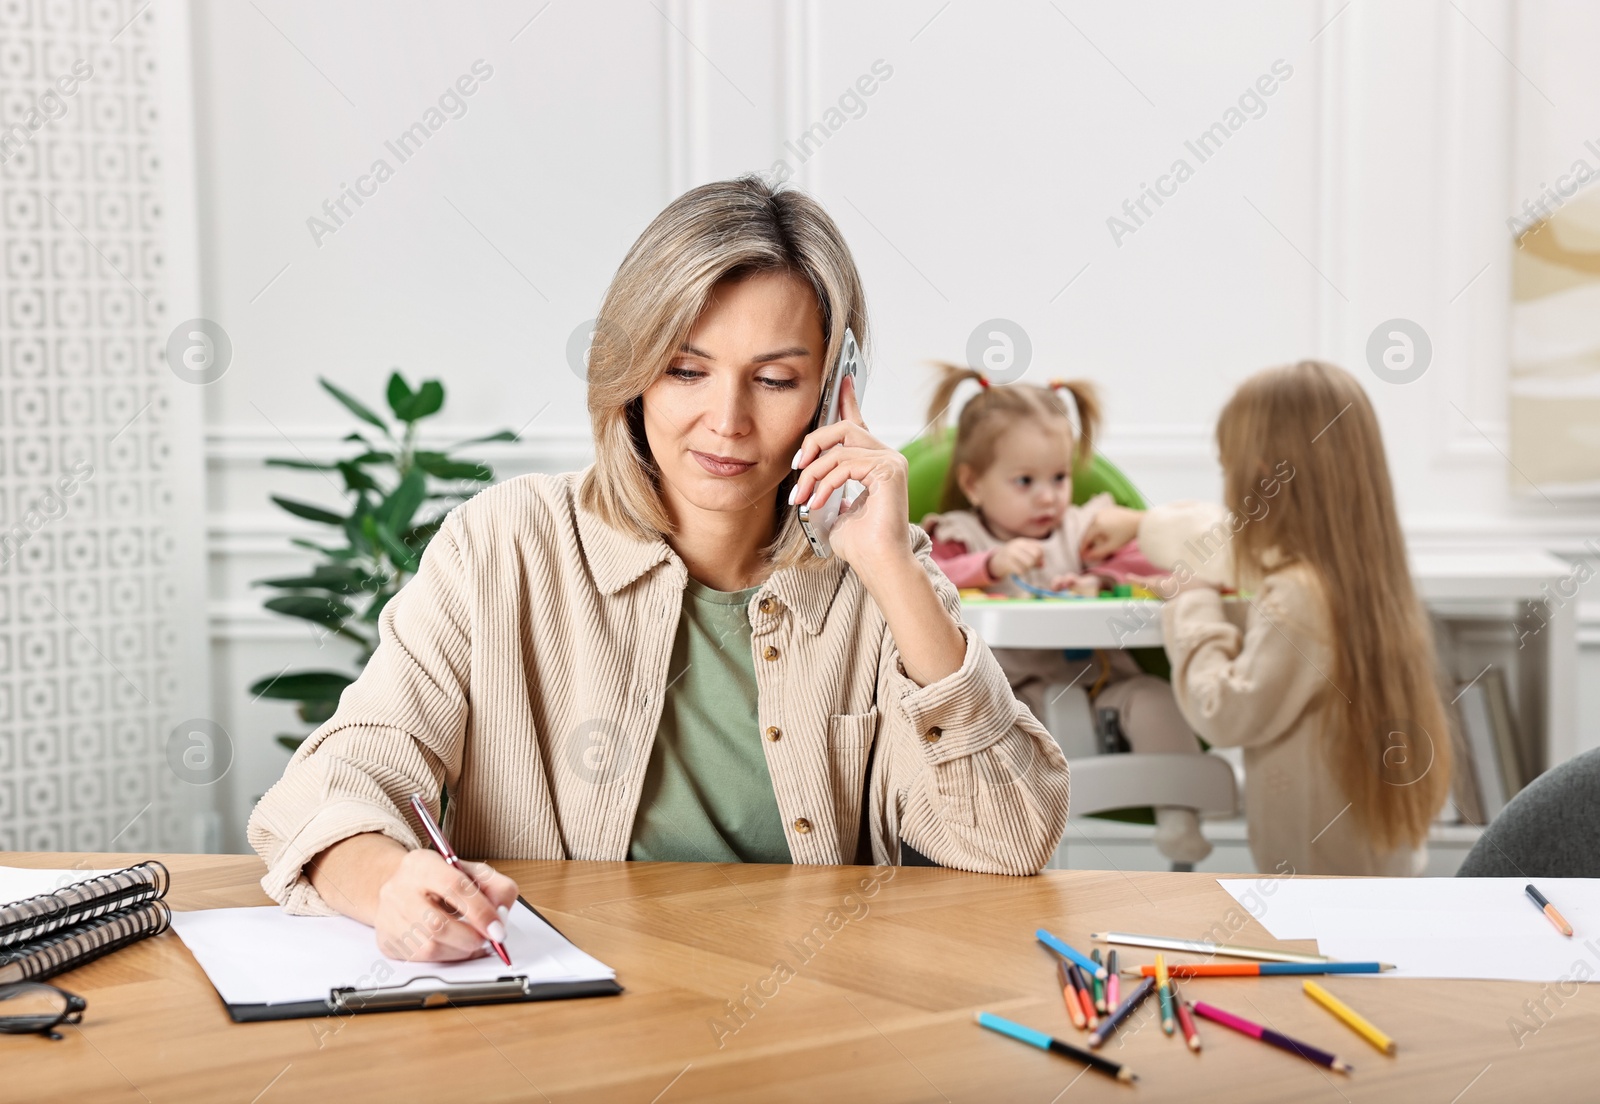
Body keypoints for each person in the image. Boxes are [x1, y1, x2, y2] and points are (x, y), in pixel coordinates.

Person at [246, 175, 1071, 963]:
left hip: (813, 1021)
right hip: (567, 1031)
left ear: (833, 390)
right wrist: (390, 883)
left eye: (777, 380)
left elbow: (1008, 839)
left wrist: (889, 568)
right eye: (685, 369)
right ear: (632, 371)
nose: (728, 422)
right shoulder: (503, 544)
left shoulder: (881, 570)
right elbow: (333, 783)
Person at [1080, 360, 1453, 876]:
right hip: (1369, 868)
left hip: (1317, 876)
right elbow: (1238, 563)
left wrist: (1194, 600)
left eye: (1227, 464)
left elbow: (1224, 711)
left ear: (1258, 470)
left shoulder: (1299, 595)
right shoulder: (1359, 576)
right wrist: (1150, 533)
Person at [918, 364, 1212, 865]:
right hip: (1011, 702)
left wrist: (1105, 575)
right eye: (1025, 480)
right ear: (974, 483)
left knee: (1154, 697)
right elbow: (920, 578)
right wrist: (988, 565)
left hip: (1104, 698)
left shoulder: (1085, 532)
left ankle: (1180, 819)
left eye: (1059, 477)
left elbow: (1164, 570)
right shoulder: (960, 536)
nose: (1049, 496)